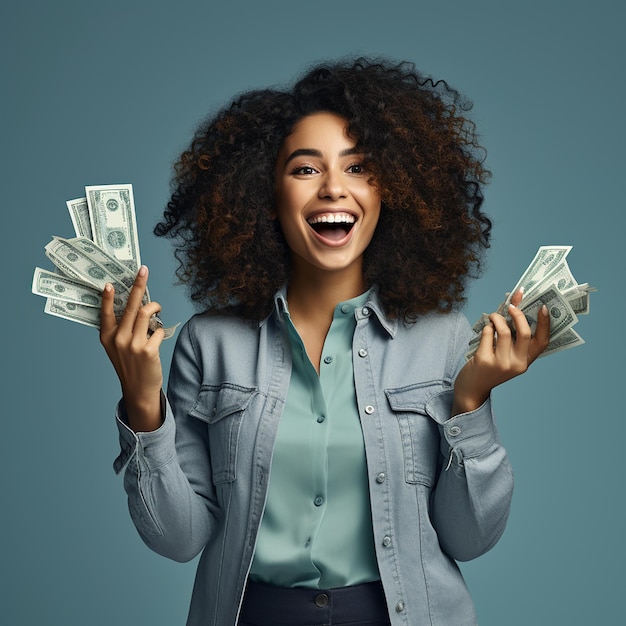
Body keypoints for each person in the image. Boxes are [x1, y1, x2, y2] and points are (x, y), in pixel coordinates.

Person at [100, 58, 550, 626]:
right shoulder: (208, 343)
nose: (334, 187)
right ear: (267, 192)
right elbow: (178, 538)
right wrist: (142, 403)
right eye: (305, 169)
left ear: (394, 190)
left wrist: (472, 405)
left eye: (359, 167)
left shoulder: (444, 340)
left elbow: (471, 537)